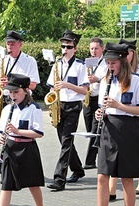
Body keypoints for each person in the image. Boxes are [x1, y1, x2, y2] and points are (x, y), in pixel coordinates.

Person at [87, 43, 139, 206]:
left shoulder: (136, 80)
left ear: (122, 62)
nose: (110, 66)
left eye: (113, 63)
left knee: (127, 179)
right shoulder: (105, 81)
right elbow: (102, 106)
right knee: (101, 176)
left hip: (129, 130)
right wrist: (99, 113)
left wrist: (119, 105)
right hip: (108, 128)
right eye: (107, 63)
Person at [0, 73, 45, 206]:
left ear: (26, 91)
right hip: (11, 148)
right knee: (6, 185)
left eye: (16, 92)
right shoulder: (8, 109)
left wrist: (18, 131)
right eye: (11, 93)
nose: (13, 96)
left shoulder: (34, 108)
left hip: (27, 148)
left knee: (32, 183)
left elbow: (38, 133)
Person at [108, 39, 139, 198]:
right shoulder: (112, 74)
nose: (126, 56)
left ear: (134, 53)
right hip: (118, 117)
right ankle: (111, 189)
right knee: (115, 153)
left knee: (137, 149)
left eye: (128, 53)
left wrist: (134, 93)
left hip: (136, 115)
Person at [46, 30, 89, 191]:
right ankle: (78, 169)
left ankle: (59, 179)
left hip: (73, 106)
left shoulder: (80, 66)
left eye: (68, 46)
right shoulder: (56, 64)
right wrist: (51, 101)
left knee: (65, 142)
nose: (65, 49)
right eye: (63, 46)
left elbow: (85, 90)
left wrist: (67, 85)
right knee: (65, 141)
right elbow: (51, 85)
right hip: (59, 105)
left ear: (75, 48)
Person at [82, 38, 108, 170]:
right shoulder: (87, 62)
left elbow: (110, 77)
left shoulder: (106, 62)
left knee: (94, 129)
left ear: (102, 48)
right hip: (88, 98)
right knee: (89, 130)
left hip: (99, 98)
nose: (93, 51)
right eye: (91, 48)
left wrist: (97, 79)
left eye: (96, 48)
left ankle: (89, 161)